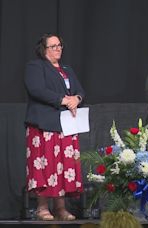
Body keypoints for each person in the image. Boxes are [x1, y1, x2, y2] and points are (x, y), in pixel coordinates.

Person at [24, 33, 85, 221]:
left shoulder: (67, 69)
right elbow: (36, 90)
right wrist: (63, 100)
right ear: (44, 50)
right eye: (53, 46)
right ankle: (42, 207)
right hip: (43, 124)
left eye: (60, 45)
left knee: (63, 167)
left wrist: (77, 98)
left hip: (65, 125)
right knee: (45, 165)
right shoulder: (36, 66)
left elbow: (80, 90)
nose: (58, 48)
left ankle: (60, 208)